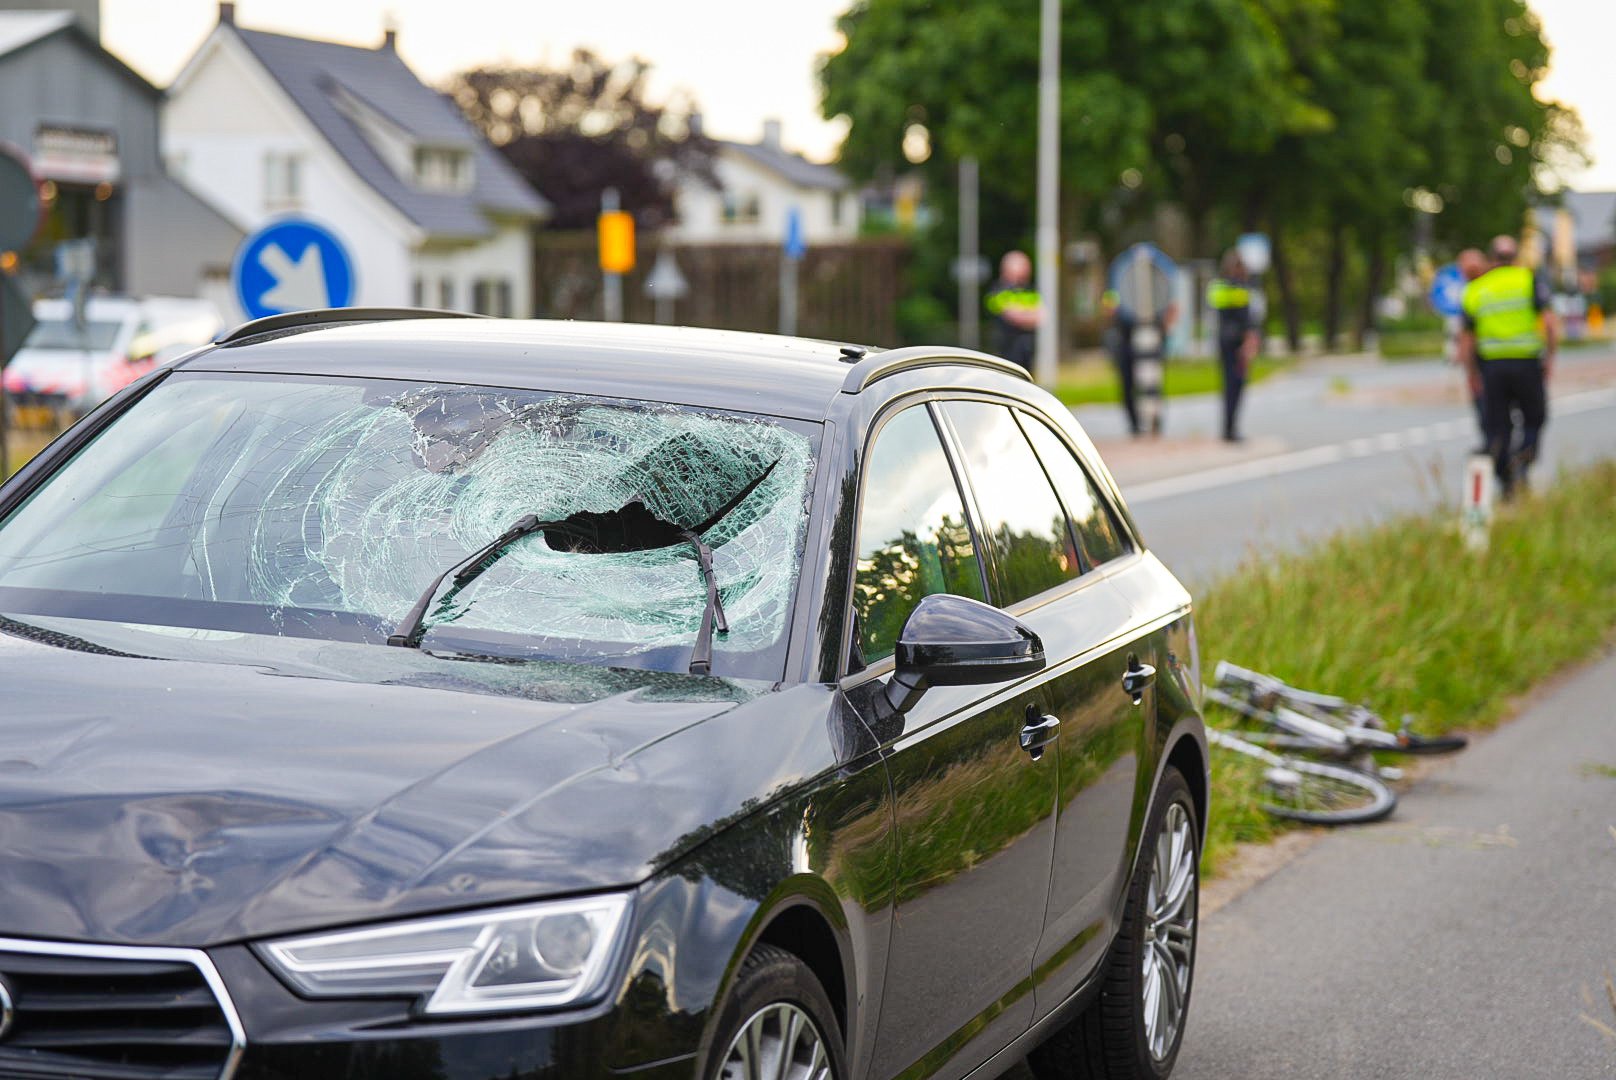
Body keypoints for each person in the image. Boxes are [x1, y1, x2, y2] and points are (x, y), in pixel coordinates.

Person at [1459, 234, 1557, 498]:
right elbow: (1549, 323)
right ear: (1515, 257)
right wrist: (1549, 358)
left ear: (1491, 258)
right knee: (1534, 418)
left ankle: (1507, 482)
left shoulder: (1476, 289)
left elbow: (1467, 339)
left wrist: (1470, 373)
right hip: (1527, 363)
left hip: (1492, 368)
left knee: (1497, 427)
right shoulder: (1528, 279)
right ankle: (1523, 462)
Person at [1104, 243, 1180, 436]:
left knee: (1152, 379)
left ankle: (1153, 420)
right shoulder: (1121, 271)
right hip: (1126, 333)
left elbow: (1171, 305)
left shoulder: (1128, 268)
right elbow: (1109, 304)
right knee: (1128, 381)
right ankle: (1136, 426)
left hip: (1152, 330)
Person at [1206, 251, 1261, 442]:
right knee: (1235, 386)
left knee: (1230, 386)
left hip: (1224, 341)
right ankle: (1230, 429)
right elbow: (1247, 319)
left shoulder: (1218, 287)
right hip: (1236, 343)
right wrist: (1249, 341)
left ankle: (1228, 428)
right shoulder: (1241, 288)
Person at [1455, 247, 1490, 452]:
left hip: (1486, 359)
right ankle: (1494, 444)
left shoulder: (1473, 293)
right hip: (1504, 357)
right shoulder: (1490, 287)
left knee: (1486, 404)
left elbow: (1468, 336)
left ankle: (1494, 445)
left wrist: (1469, 369)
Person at [984, 251, 1041, 372]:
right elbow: (1012, 316)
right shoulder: (997, 291)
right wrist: (1027, 314)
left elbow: (1041, 316)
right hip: (1006, 350)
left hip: (1027, 350)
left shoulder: (1029, 290)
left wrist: (1021, 314)